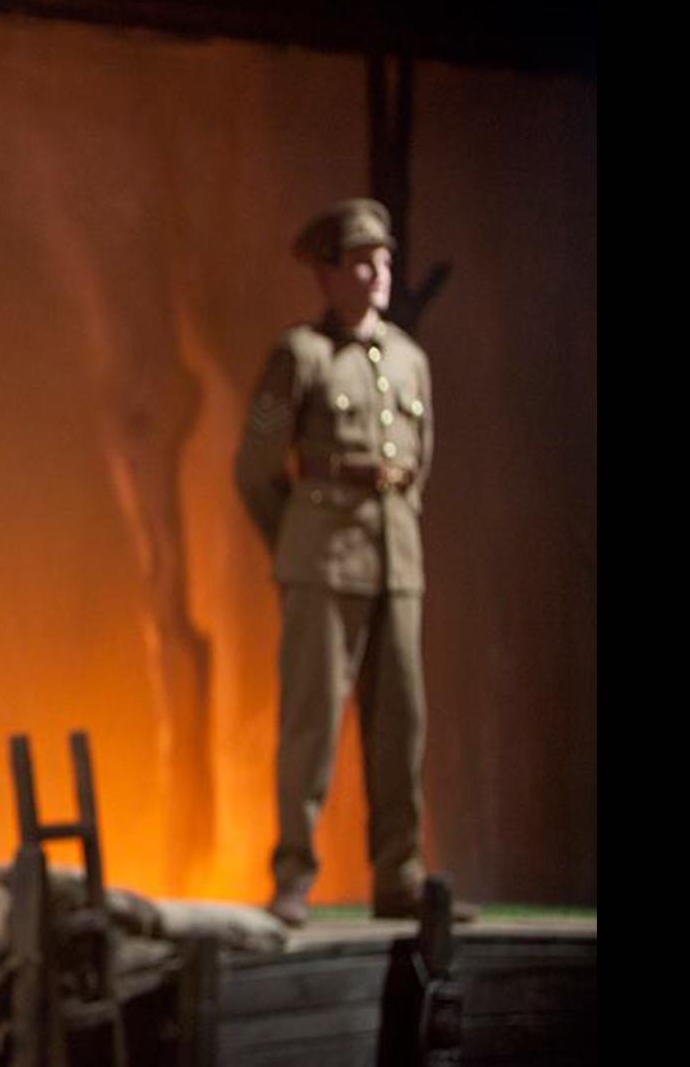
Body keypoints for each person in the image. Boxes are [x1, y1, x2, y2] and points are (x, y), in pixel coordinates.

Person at [233, 199, 464, 927]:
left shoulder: (407, 358)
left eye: (385, 260)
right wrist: (297, 545)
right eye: (361, 261)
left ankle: (398, 872)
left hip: (397, 558)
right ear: (327, 274)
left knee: (403, 724)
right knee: (312, 723)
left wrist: (394, 525)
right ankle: (294, 873)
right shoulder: (298, 356)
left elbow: (417, 463)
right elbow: (255, 467)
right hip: (323, 558)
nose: (377, 274)